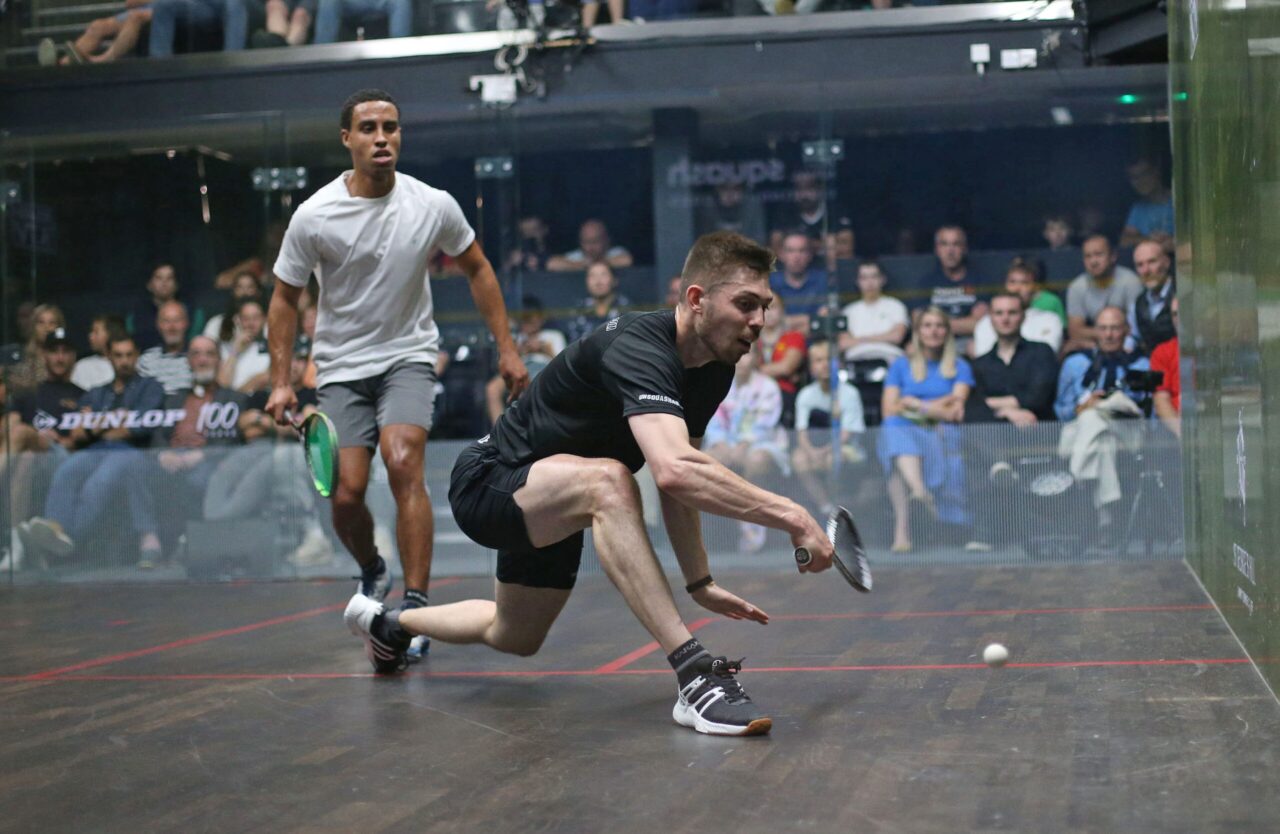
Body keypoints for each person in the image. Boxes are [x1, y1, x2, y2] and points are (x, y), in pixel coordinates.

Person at [343, 230, 836, 737]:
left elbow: (679, 480)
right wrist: (794, 516)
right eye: (746, 304)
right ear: (696, 300)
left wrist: (700, 581)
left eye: (765, 306)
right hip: (489, 482)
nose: (759, 321)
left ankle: (388, 625)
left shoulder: (714, 368)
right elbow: (672, 469)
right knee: (610, 481)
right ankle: (695, 678)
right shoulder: (639, 346)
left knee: (514, 635)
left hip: (554, 499)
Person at [264, 89, 528, 667]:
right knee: (347, 492)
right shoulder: (314, 215)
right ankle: (371, 570)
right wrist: (282, 379)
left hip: (408, 355)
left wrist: (506, 348)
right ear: (347, 139)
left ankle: (413, 609)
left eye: (391, 126)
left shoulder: (432, 204)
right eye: (368, 127)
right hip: (339, 366)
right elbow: (285, 298)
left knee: (404, 460)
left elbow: (478, 267)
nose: (381, 136)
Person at [20, 334, 166, 568]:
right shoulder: (98, 392)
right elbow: (77, 433)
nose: (125, 361)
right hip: (97, 449)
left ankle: (69, 539)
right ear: (109, 357)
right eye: (118, 355)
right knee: (66, 471)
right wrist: (101, 428)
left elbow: (136, 429)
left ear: (137, 356)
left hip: (131, 451)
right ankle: (56, 528)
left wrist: (97, 427)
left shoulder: (151, 387)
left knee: (99, 483)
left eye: (129, 355)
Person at [878, 307, 975, 553]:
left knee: (897, 450)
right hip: (906, 429)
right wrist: (937, 405)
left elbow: (954, 410)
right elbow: (889, 409)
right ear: (918, 332)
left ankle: (904, 530)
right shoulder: (901, 366)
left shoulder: (960, 366)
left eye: (939, 325)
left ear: (947, 331)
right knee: (893, 431)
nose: (933, 331)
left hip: (942, 432)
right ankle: (920, 493)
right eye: (927, 325)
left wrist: (915, 404)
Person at [1054, 307, 1150, 532]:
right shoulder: (1075, 363)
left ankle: (1076, 477)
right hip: (1092, 434)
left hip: (1128, 432)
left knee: (1101, 409)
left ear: (1126, 330)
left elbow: (1145, 410)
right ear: (1095, 331)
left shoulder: (1142, 364)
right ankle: (1106, 518)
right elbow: (1060, 409)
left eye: (1115, 328)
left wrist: (1100, 405)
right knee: (1100, 436)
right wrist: (1083, 407)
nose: (1108, 335)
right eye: (1103, 328)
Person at [703, 351, 789, 553]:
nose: (742, 360)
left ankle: (752, 526)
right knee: (706, 461)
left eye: (747, 355)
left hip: (762, 444)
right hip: (725, 444)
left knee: (756, 460)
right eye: (738, 355)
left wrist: (743, 445)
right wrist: (721, 444)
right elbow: (712, 421)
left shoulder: (768, 386)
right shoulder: (719, 383)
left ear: (755, 358)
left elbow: (764, 426)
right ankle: (717, 533)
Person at [790, 340, 866, 519]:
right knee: (798, 459)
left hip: (847, 449)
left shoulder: (850, 393)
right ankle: (825, 507)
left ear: (838, 364)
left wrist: (823, 451)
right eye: (818, 360)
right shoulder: (805, 395)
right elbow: (801, 431)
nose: (824, 364)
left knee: (833, 459)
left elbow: (847, 434)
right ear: (811, 367)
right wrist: (810, 451)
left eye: (829, 359)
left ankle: (838, 505)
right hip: (815, 448)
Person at [967, 294, 1058, 425]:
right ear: (990, 318)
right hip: (994, 438)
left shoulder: (1042, 352)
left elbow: (1038, 399)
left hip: (1041, 434)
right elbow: (974, 407)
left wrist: (991, 404)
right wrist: (1009, 412)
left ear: (1023, 316)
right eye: (999, 313)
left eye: (1012, 312)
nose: (1005, 319)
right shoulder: (980, 363)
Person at [486, 297, 567, 424]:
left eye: (533, 318)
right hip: (518, 370)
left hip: (544, 370)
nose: (529, 322)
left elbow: (563, 368)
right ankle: (500, 433)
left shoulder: (553, 335)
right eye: (525, 318)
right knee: (492, 388)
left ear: (540, 318)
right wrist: (519, 352)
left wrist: (545, 350)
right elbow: (501, 366)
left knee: (531, 386)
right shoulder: (515, 337)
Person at [1064, 235, 1143, 354]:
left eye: (1098, 254)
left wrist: (1101, 336)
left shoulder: (1131, 282)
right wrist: (1110, 335)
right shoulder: (1076, 287)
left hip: (1128, 347)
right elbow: (1075, 331)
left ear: (1113, 256)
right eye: (1088, 256)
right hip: (1091, 349)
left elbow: (1138, 327)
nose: (1093, 261)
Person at [971, 259, 1064, 357]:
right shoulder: (987, 322)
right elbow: (985, 361)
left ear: (1035, 288)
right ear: (1005, 285)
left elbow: (1046, 357)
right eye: (1012, 282)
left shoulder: (1050, 320)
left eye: (1024, 283)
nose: (1017, 288)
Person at [918, 225, 988, 341]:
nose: (950, 251)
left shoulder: (980, 280)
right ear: (937, 249)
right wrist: (962, 323)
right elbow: (919, 322)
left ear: (964, 249)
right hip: (935, 342)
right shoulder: (926, 283)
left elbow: (978, 324)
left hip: (970, 342)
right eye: (944, 244)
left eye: (956, 244)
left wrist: (936, 325)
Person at [838, 260, 908, 363]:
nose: (869, 283)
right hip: (856, 360)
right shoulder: (848, 311)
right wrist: (882, 337)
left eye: (874, 277)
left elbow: (897, 337)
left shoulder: (896, 306)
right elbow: (843, 343)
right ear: (858, 282)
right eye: (864, 278)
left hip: (890, 359)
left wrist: (859, 339)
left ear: (883, 280)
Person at [754, 294, 807, 427]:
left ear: (782, 310)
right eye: (765, 308)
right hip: (753, 392)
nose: (770, 312)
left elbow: (786, 368)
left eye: (774, 307)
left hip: (783, 393)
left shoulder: (794, 336)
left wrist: (755, 370)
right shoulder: (751, 337)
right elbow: (740, 367)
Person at [561, 262, 633, 344]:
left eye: (603, 275)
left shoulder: (625, 308)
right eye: (592, 276)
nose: (598, 281)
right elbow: (574, 345)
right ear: (586, 282)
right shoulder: (579, 309)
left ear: (614, 280)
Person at [1127, 239, 1176, 356]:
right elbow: (1133, 339)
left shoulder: (1184, 294)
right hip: (1153, 369)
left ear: (1166, 262)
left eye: (1152, 262)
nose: (1146, 270)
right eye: (1140, 265)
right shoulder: (1138, 303)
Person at [148, 0, 249, 56]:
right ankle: (160, 68)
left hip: (238, 5)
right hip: (203, 6)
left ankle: (231, 63)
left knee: (234, 3)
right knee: (163, 6)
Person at [769, 229, 827, 323]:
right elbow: (769, 321)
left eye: (802, 250)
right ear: (781, 255)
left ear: (810, 255)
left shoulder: (823, 280)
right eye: (790, 251)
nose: (796, 257)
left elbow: (825, 318)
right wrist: (811, 319)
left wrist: (785, 321)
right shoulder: (770, 282)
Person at [138, 301, 196, 395]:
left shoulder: (198, 356)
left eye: (177, 320)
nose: (172, 327)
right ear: (158, 325)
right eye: (166, 321)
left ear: (186, 323)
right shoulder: (145, 360)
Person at [217, 298, 272, 394]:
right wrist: (235, 350)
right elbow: (222, 384)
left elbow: (264, 378)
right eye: (246, 319)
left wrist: (237, 397)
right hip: (230, 405)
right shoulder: (225, 348)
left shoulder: (273, 347)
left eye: (256, 318)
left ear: (264, 319)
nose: (251, 323)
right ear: (237, 320)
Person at [1119, 159, 1174, 252]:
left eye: (1144, 174)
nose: (1140, 181)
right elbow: (1124, 241)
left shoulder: (1177, 201)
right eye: (1134, 177)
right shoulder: (1138, 208)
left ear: (1156, 172)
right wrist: (1149, 240)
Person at [8, 304, 66, 393]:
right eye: (41, 322)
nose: (46, 328)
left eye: (52, 323)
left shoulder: (65, 357)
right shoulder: (20, 356)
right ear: (33, 325)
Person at [547, 219, 634, 272]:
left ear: (606, 241)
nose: (590, 247)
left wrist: (595, 265)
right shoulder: (577, 256)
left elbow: (627, 260)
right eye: (586, 242)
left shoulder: (615, 252)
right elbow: (552, 264)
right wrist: (581, 265)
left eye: (595, 241)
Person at [1149, 298, 1181, 438]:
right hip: (1175, 429)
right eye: (1175, 314)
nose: (1179, 319)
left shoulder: (1214, 351)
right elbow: (1160, 401)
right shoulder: (1161, 352)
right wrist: (1183, 435)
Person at [72, 314, 126, 391]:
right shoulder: (83, 367)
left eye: (96, 332)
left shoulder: (128, 364)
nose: (90, 336)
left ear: (111, 334)